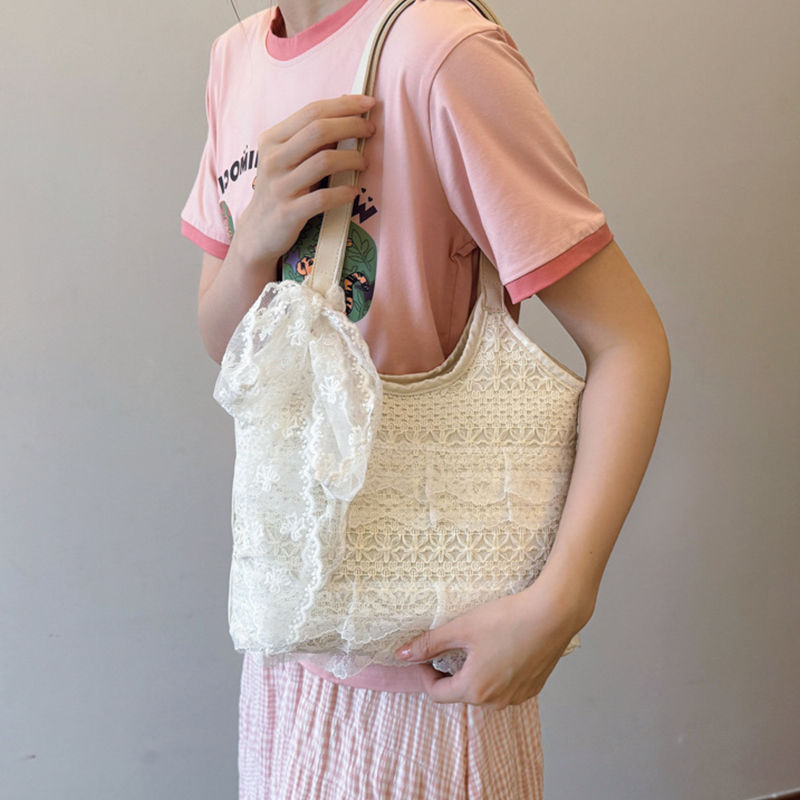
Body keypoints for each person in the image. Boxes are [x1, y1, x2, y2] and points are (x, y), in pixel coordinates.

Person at [181, 0, 671, 796]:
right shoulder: (235, 58)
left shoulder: (443, 53)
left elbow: (630, 343)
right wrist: (254, 242)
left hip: (423, 681)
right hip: (285, 650)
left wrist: (562, 602)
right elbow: (229, 347)